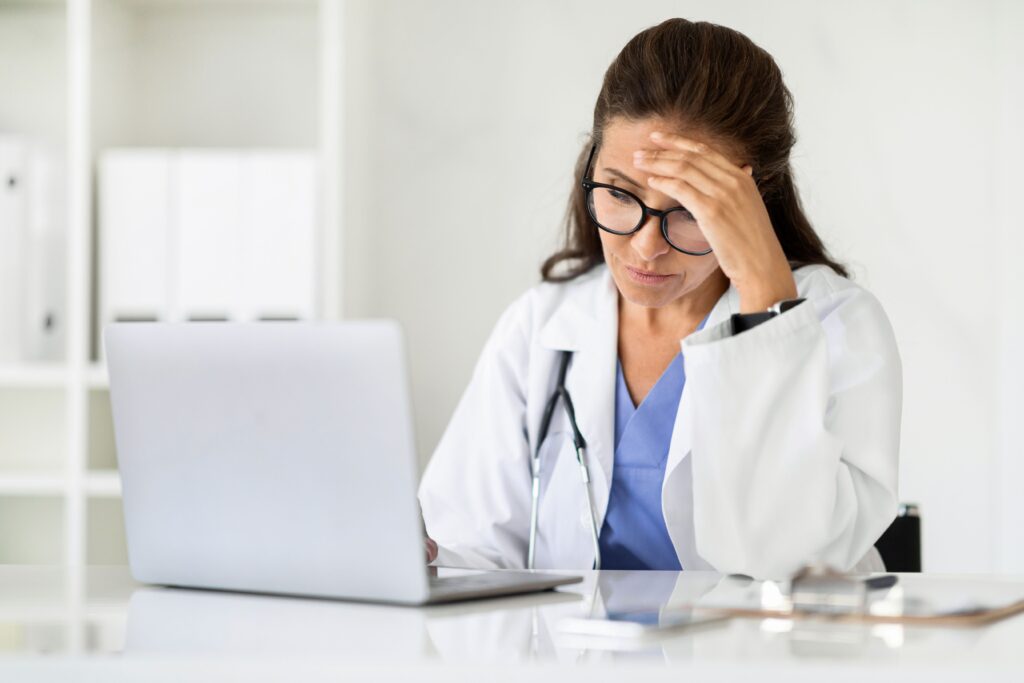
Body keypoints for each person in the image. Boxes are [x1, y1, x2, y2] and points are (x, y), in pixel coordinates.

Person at [417, 18, 902, 579]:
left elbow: (785, 565)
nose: (646, 247)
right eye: (621, 193)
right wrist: (424, 559)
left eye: (691, 209)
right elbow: (470, 549)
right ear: (591, 167)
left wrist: (765, 297)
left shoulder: (839, 324)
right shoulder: (540, 326)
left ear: (751, 201)